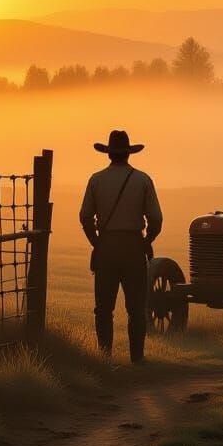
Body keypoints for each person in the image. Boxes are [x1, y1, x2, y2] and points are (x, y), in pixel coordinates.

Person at [79, 129, 162, 364]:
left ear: (108, 154)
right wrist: (146, 242)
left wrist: (96, 242)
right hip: (134, 247)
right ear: (128, 154)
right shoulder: (142, 180)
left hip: (106, 247)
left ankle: (105, 358)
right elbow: (156, 219)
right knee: (136, 309)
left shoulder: (96, 180)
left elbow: (85, 217)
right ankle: (137, 359)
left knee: (104, 309)